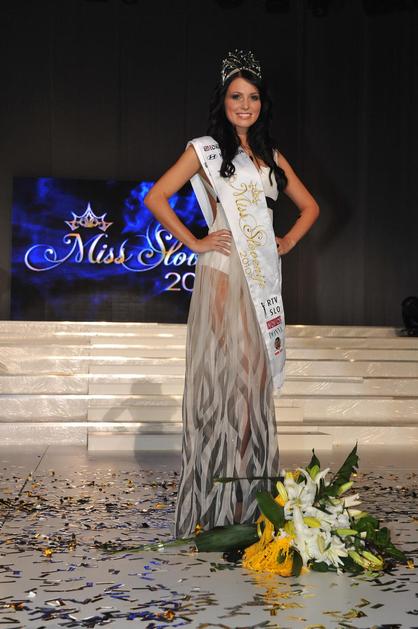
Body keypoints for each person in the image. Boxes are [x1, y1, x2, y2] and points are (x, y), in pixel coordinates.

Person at [144, 50, 319, 539]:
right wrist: (196, 241)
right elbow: (156, 197)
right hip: (223, 274)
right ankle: (216, 502)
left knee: (252, 389)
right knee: (225, 384)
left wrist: (287, 242)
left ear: (263, 103)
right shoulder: (205, 151)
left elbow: (310, 208)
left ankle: (249, 502)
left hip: (259, 279)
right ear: (222, 101)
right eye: (236, 96)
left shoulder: (271, 156)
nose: (245, 105)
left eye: (253, 97)